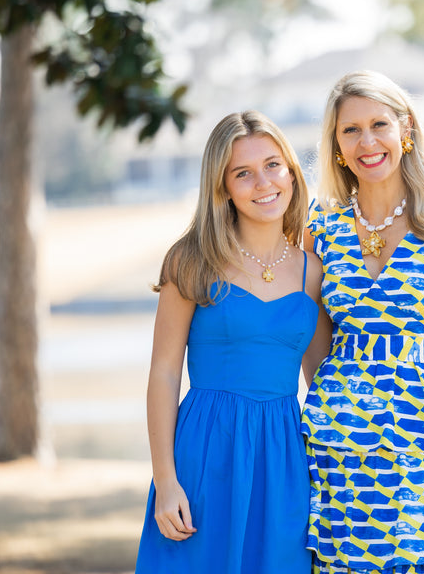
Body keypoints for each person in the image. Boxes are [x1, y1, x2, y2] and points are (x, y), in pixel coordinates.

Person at [303, 70, 424, 573]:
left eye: (379, 124)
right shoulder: (319, 231)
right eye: (350, 131)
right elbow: (316, 352)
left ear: (405, 129)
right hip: (338, 451)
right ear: (336, 145)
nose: (367, 141)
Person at [134, 110, 331, 573]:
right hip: (205, 451)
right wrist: (166, 479)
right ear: (222, 186)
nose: (263, 182)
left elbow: (328, 376)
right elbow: (164, 372)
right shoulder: (190, 261)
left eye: (272, 165)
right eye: (243, 173)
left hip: (283, 457)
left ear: (291, 171)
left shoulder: (313, 270)